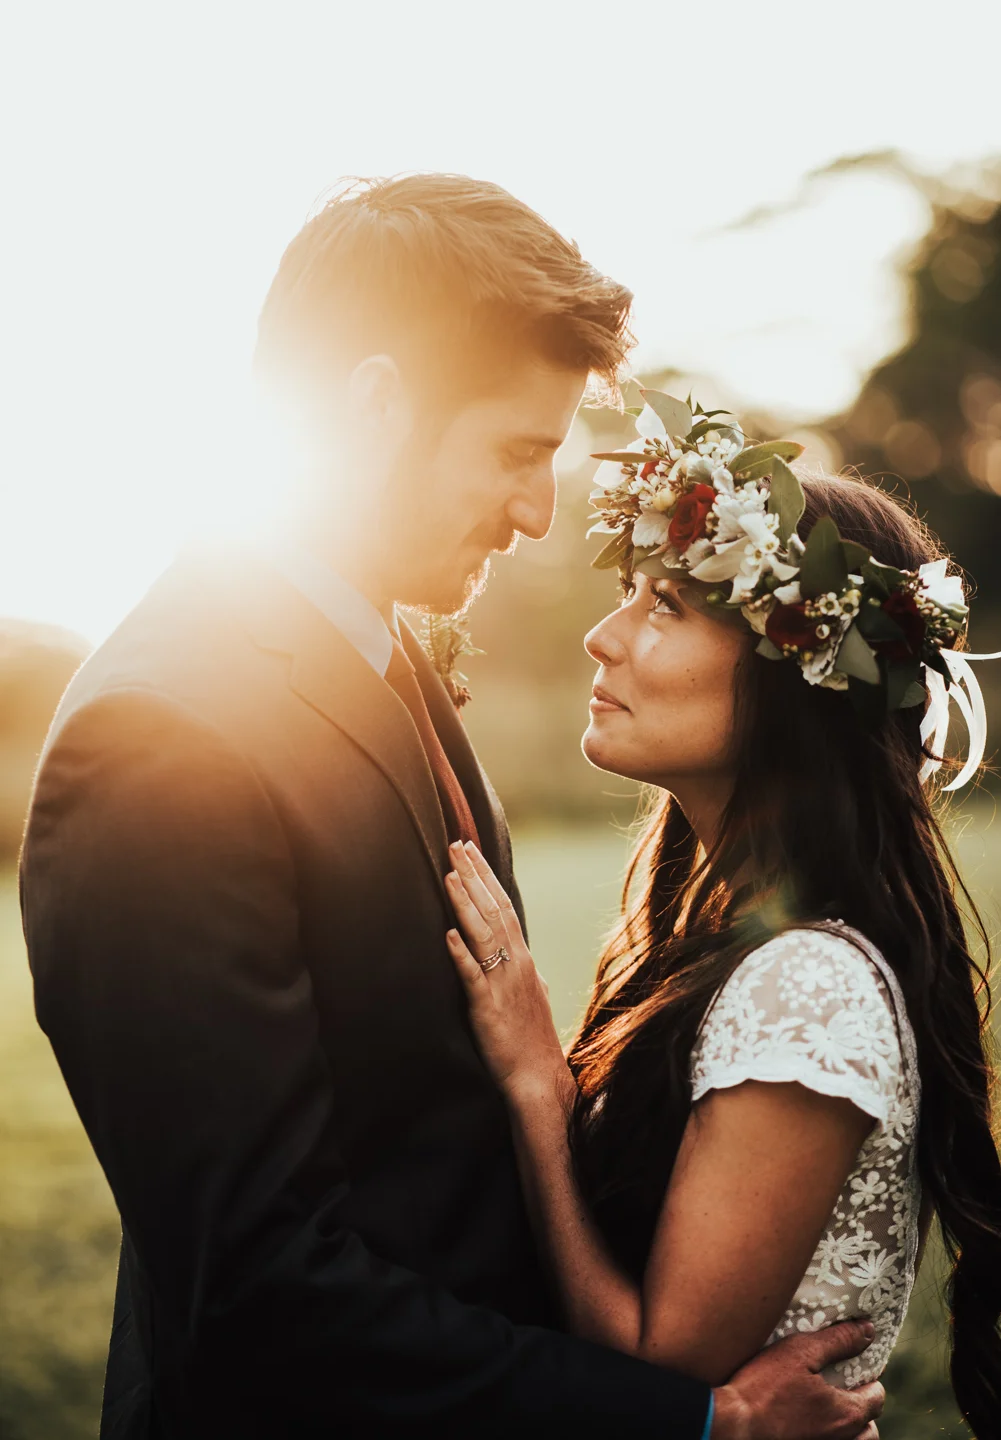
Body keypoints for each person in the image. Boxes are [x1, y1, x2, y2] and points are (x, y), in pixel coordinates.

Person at [20, 177, 884, 1439]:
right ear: (373, 405)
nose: (539, 514)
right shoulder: (165, 739)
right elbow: (264, 1289)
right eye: (516, 453)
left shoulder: (380, 652)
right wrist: (695, 1427)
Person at [442, 393, 1001, 1440]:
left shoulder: (808, 983)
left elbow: (660, 1363)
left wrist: (531, 1085)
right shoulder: (719, 945)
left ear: (797, 671)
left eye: (664, 607)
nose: (600, 638)